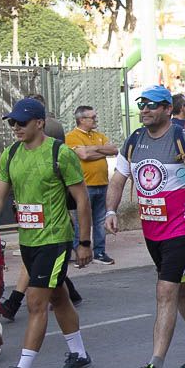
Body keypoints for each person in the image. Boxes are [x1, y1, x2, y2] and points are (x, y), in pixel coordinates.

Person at [105, 87, 185, 368]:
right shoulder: (134, 141)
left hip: (182, 226)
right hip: (152, 228)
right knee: (181, 289)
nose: (144, 110)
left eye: (151, 106)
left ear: (167, 110)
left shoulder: (182, 139)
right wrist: (110, 211)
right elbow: (118, 179)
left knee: (165, 290)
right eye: (141, 104)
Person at [0, 98, 93, 368]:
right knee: (58, 298)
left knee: (36, 302)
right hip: (28, 240)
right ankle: (80, 354)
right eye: (13, 123)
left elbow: (82, 200)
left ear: (39, 123)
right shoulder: (11, 154)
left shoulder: (60, 153)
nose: (16, 127)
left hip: (55, 239)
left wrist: (83, 242)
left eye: (22, 122)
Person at [65, 106, 118, 265]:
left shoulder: (98, 135)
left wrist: (93, 148)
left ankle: (99, 253)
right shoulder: (72, 137)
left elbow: (114, 150)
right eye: (92, 117)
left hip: (102, 184)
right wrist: (101, 151)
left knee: (100, 221)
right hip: (84, 186)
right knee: (83, 220)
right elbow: (83, 155)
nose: (96, 119)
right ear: (81, 120)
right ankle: (80, 251)